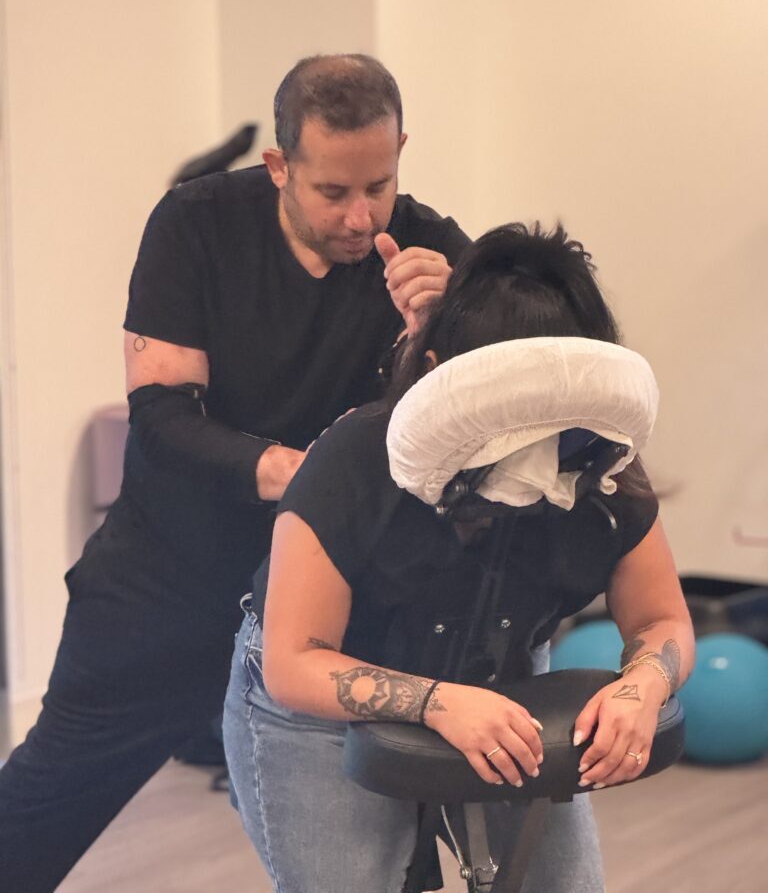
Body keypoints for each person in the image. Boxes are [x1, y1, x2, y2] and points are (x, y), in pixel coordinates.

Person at [0, 54, 470, 892]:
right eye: (334, 193)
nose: (363, 218)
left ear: (401, 149)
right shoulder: (195, 225)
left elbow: (482, 420)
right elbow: (164, 419)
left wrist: (450, 327)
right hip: (166, 575)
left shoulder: (431, 248)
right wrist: (307, 475)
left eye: (381, 185)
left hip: (323, 602)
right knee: (42, 809)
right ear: (280, 166)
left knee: (384, 853)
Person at [223, 223, 696, 893]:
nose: (536, 457)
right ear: (439, 371)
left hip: (499, 681)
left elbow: (661, 621)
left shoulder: (603, 474)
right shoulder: (353, 459)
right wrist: (437, 702)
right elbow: (295, 662)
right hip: (322, 701)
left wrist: (641, 685)